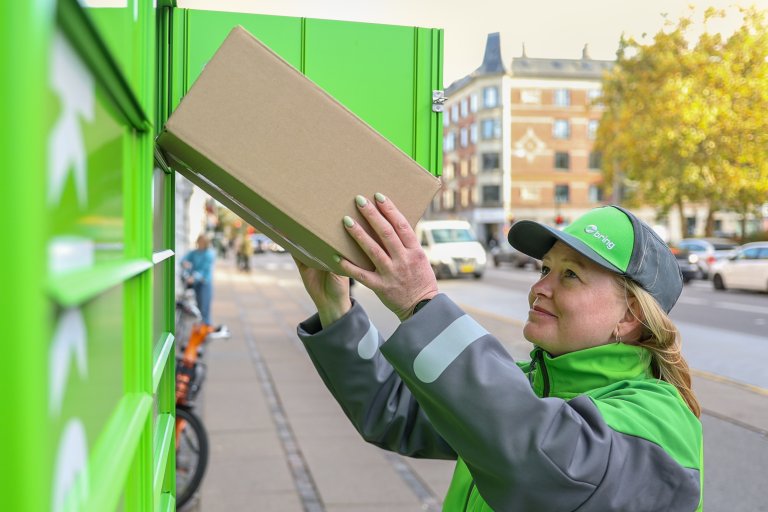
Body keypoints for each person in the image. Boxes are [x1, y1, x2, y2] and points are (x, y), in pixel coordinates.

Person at [294, 193, 703, 511]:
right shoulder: (529, 387)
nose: (540, 288)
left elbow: (538, 461)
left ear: (630, 315)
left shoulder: (661, 420)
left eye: (571, 274)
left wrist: (421, 303)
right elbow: (397, 410)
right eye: (545, 269)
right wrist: (337, 310)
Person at [181, 234, 216, 325]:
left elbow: (204, 270)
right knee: (199, 307)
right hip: (196, 283)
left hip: (204, 283)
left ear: (206, 243)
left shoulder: (209, 254)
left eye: (202, 243)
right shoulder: (194, 253)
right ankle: (201, 328)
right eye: (199, 242)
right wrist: (184, 263)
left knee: (204, 307)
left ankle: (206, 328)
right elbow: (183, 259)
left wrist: (194, 277)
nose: (200, 244)